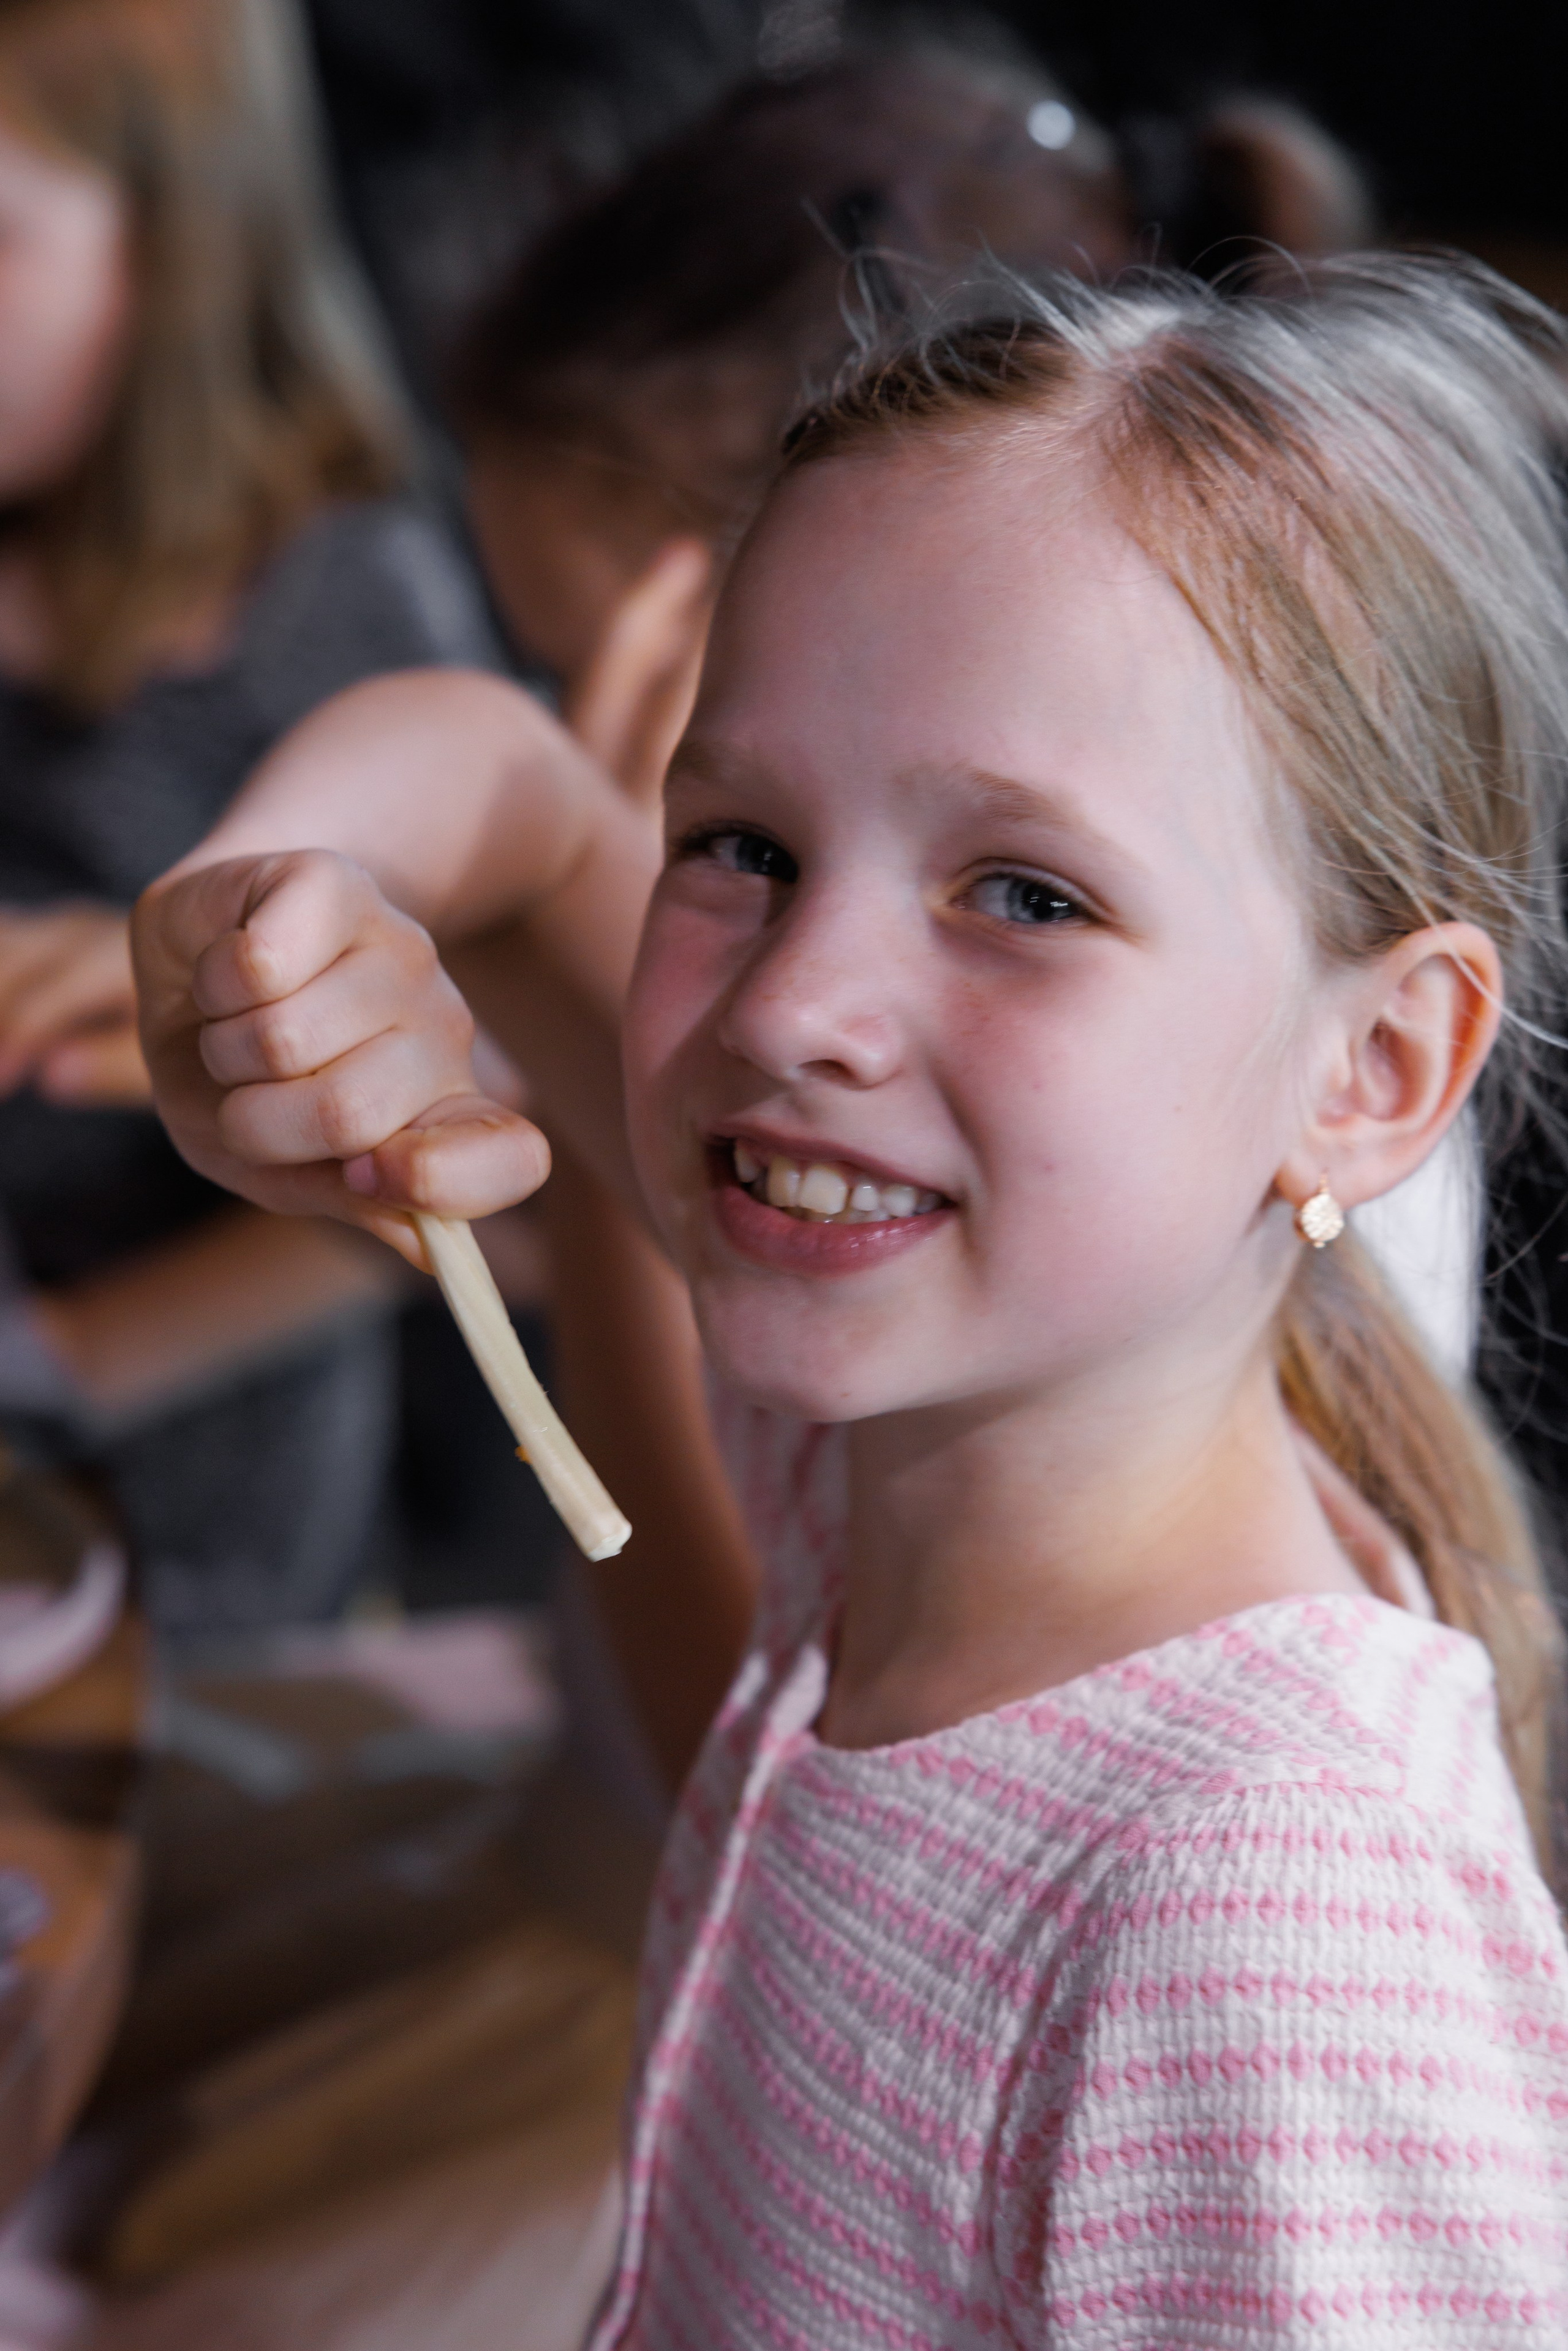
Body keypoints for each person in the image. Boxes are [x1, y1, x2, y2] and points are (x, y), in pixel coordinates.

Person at [135, 252, 1568, 2337]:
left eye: (1028, 896)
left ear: (1376, 1074)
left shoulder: (1252, 1917)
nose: (798, 1003)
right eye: (740, 844)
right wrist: (249, 925)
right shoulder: (882, 1448)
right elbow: (512, 798)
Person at [0, 0, 504, 1632]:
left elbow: (467, 1145)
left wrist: (72, 1359)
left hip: (195, 1537)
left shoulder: (339, 605)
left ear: (183, 260)